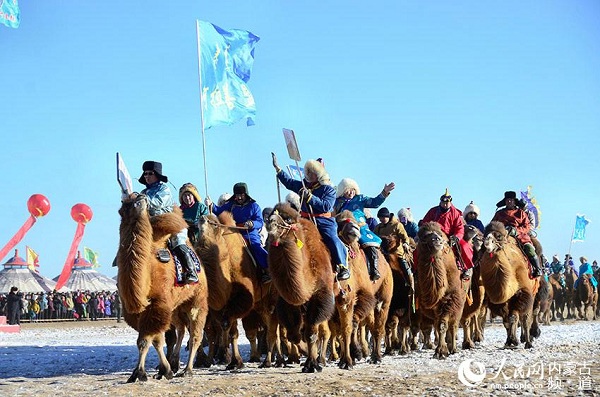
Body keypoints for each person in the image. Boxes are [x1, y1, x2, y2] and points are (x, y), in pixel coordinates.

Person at [272, 153, 350, 281]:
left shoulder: (328, 190)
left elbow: (325, 206)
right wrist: (278, 170)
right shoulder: (303, 186)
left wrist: (310, 197)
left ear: (319, 174)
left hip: (323, 221)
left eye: (312, 172)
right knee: (287, 234)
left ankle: (342, 266)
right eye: (307, 172)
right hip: (304, 220)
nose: (308, 175)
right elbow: (289, 183)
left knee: (331, 237)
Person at [138, 161, 199, 284]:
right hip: (150, 225)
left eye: (150, 173)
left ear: (157, 175)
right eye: (145, 174)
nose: (147, 176)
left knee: (178, 241)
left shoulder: (163, 189)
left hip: (168, 223)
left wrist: (143, 200)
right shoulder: (143, 192)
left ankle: (191, 271)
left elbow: (159, 202)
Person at [206, 182, 271, 284]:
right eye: (237, 195)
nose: (239, 197)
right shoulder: (231, 205)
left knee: (256, 247)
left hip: (249, 233)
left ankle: (266, 270)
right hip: (233, 231)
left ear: (246, 194)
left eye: (241, 195)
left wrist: (251, 223)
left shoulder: (254, 206)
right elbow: (218, 211)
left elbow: (260, 221)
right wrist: (211, 204)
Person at [333, 178, 395, 281]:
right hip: (342, 227)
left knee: (370, 244)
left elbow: (374, 203)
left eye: (353, 189)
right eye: (348, 190)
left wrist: (385, 192)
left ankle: (374, 269)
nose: (351, 192)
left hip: (360, 227)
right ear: (343, 190)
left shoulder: (360, 198)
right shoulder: (337, 202)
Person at [420, 189, 474, 275]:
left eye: (447, 202)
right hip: (433, 236)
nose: (445, 204)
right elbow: (424, 223)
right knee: (418, 248)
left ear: (450, 203)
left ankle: (467, 268)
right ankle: (415, 270)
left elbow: (459, 228)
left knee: (464, 246)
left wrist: (456, 237)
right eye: (443, 202)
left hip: (450, 238)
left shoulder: (455, 213)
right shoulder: (432, 211)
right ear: (440, 202)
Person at [491, 191, 542, 278]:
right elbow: (492, 225)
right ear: (505, 201)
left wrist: (516, 231)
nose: (509, 202)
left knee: (529, 248)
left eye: (511, 200)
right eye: (507, 200)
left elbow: (527, 226)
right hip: (502, 237)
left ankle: (537, 269)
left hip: (520, 236)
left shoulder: (521, 213)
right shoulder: (499, 213)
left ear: (514, 201)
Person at [374, 207, 414, 290]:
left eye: (383, 217)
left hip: (397, 253)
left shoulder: (397, 225)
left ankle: (411, 284)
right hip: (382, 253)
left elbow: (404, 237)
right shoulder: (378, 227)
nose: (382, 219)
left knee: (404, 266)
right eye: (380, 218)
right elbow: (374, 237)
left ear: (388, 216)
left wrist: (406, 243)